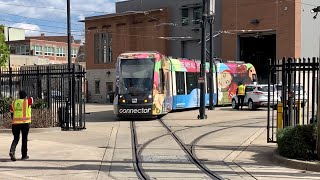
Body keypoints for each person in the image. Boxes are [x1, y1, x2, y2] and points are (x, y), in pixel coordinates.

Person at [9, 90, 33, 161]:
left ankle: (12, 151)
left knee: (16, 138)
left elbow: (12, 113)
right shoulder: (28, 101)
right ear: (25, 96)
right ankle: (24, 155)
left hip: (15, 123)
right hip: (25, 123)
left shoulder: (14, 102)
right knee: (24, 139)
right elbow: (32, 98)